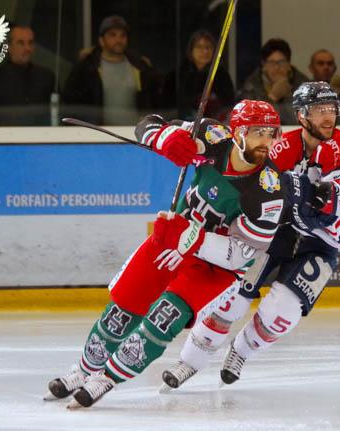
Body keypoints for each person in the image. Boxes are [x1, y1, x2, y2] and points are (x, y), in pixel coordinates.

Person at [44, 100, 287, 408]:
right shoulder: (213, 137)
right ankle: (83, 371)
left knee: (164, 318)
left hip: (214, 267)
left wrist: (195, 238)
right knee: (123, 308)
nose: (266, 141)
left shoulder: (268, 192)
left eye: (271, 133)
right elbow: (148, 123)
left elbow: (242, 255)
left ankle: (107, 378)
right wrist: (166, 139)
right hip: (171, 240)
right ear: (237, 133)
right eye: (257, 133)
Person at [160, 81, 340, 390]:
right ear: (302, 115)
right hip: (275, 232)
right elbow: (247, 180)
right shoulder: (280, 145)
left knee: (283, 313)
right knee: (231, 299)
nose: (328, 117)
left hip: (320, 242)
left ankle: (241, 351)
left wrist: (299, 190)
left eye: (331, 109)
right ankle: (190, 360)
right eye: (319, 110)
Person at [62, 15, 161, 125]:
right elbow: (71, 104)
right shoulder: (87, 67)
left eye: (122, 35)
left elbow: (156, 99)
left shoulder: (140, 66)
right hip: (99, 133)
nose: (118, 40)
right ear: (101, 40)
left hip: (133, 132)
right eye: (112, 35)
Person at [0, 25, 55, 125]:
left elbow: (58, 114)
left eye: (30, 43)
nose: (27, 48)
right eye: (21, 43)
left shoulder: (46, 77)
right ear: (10, 47)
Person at [162, 29, 235, 121]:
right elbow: (169, 104)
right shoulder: (178, 75)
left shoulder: (222, 75)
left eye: (208, 47)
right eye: (199, 47)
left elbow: (228, 104)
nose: (205, 51)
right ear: (191, 50)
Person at [238, 38, 309, 123]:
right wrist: (273, 97)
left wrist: (287, 96)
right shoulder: (251, 85)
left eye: (281, 62)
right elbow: (250, 119)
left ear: (289, 64)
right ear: (264, 65)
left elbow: (304, 119)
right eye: (272, 63)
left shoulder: (302, 83)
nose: (277, 68)